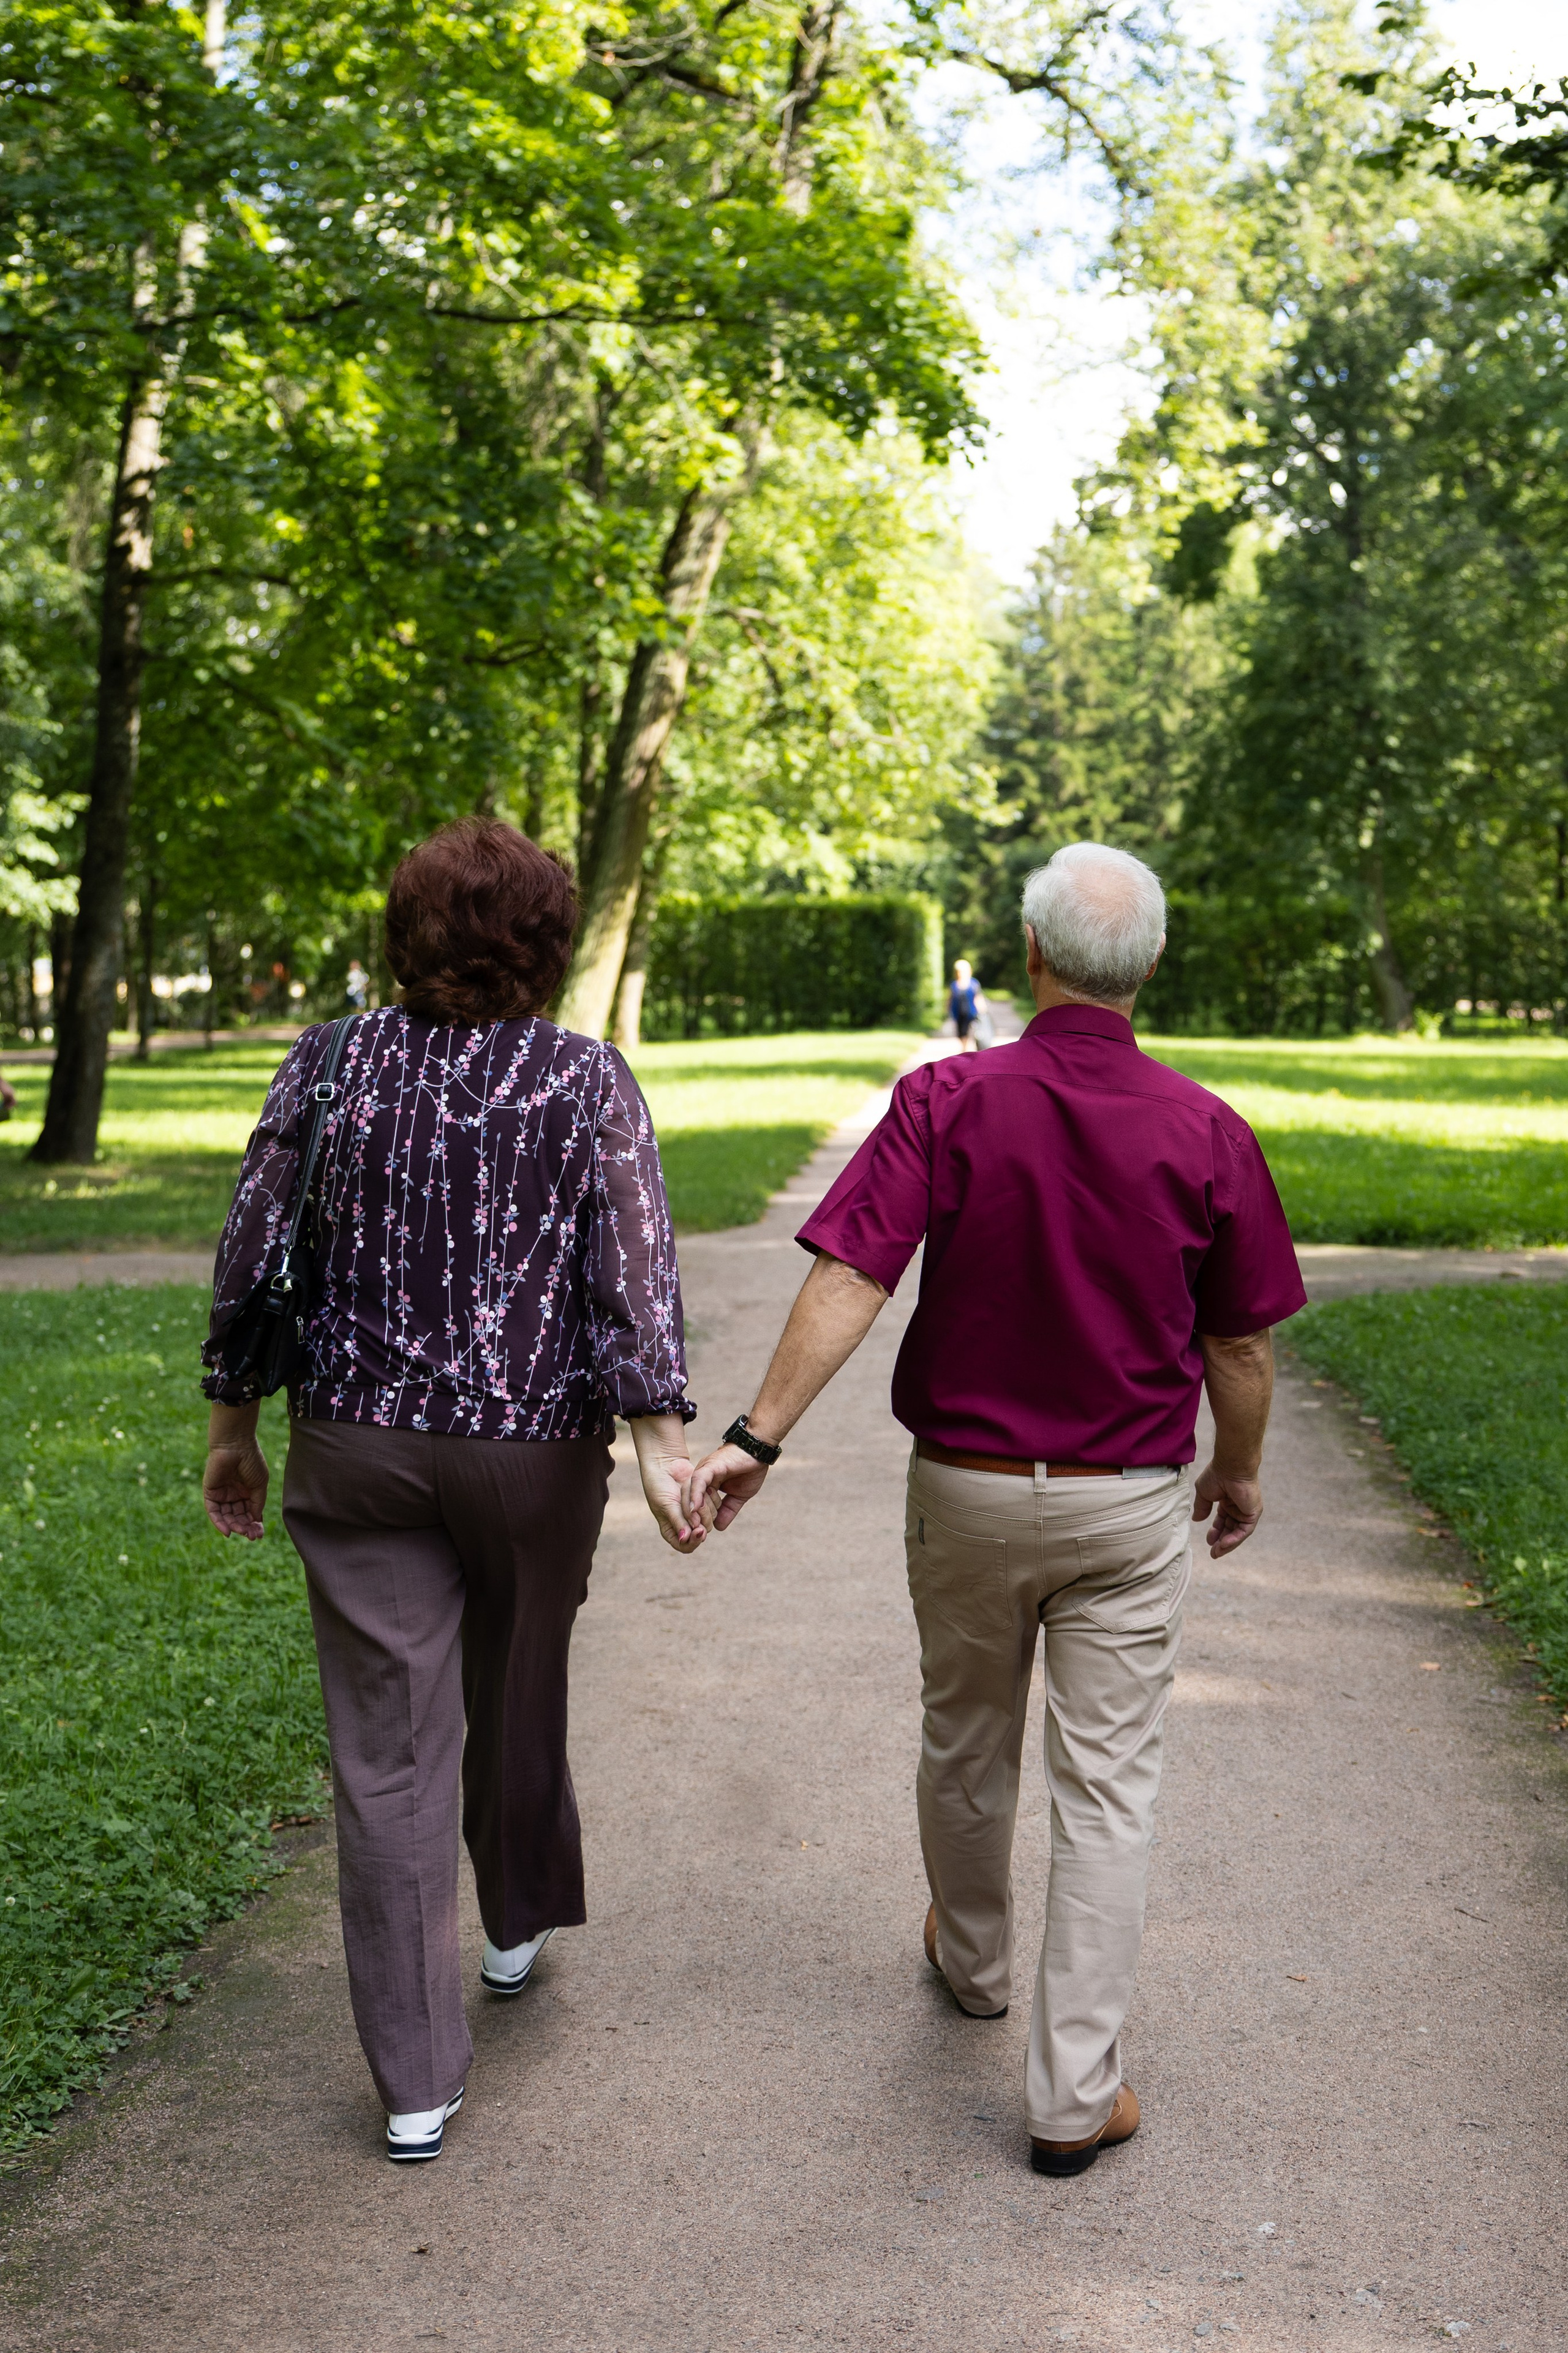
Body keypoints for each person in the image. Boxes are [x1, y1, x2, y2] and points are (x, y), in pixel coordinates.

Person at [685, 842, 1305, 2177]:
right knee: (1109, 1788)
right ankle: (1071, 2097)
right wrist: (1237, 1470)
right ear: (1147, 966)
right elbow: (1241, 1351)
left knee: (964, 1734)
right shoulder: (1206, 1129)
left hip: (962, 1489)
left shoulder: (945, 1099)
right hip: (1128, 1505)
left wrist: (755, 1437)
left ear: (1028, 956)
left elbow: (853, 1272)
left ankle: (969, 1967)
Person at [200, 820, 709, 2165]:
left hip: (358, 1446)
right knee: (516, 1678)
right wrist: (659, 1445)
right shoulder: (584, 1078)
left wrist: (230, 1424)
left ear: (403, 935)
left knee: (388, 1751)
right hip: (535, 1453)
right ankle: (511, 1919)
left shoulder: (328, 1058)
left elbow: (252, 1246)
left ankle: (416, 2079)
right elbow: (631, 1269)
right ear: (544, 943)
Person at [948, 958, 984, 1052]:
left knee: (972, 1031)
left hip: (972, 1013)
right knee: (961, 1033)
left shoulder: (974, 984)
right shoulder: (954, 985)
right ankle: (965, 1048)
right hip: (959, 1013)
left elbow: (978, 997)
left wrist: (983, 1010)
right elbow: (950, 999)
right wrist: (948, 1011)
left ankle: (968, 1050)